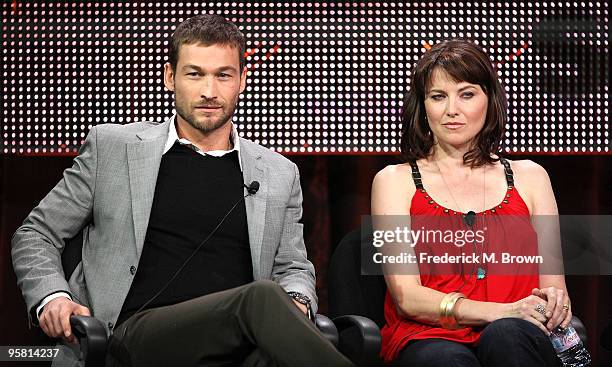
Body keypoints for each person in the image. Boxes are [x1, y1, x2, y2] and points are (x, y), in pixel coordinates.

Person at [11, 14, 352, 367]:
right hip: (134, 339)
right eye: (195, 74)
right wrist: (53, 297)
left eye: (223, 75)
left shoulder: (279, 173)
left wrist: (295, 301)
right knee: (263, 299)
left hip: (241, 346)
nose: (209, 91)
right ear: (170, 78)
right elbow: (36, 233)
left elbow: (293, 267)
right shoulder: (112, 147)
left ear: (242, 81)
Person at [371, 39, 570, 366]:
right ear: (423, 106)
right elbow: (407, 297)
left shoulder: (531, 177)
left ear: (489, 100)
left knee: (506, 336)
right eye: (438, 97)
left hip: (518, 332)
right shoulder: (393, 181)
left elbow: (554, 292)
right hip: (429, 335)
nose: (452, 110)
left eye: (466, 94)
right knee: (444, 358)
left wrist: (547, 306)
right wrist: (500, 310)